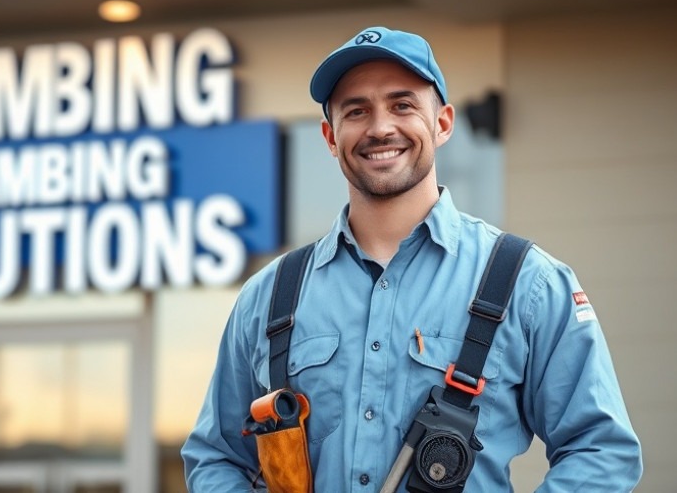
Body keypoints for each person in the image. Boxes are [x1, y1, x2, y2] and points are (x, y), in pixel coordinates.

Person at [181, 26, 642, 491]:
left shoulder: (529, 283)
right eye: (356, 110)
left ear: (442, 123)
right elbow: (217, 457)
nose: (380, 127)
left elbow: (600, 449)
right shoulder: (268, 297)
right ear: (329, 135)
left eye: (402, 105)